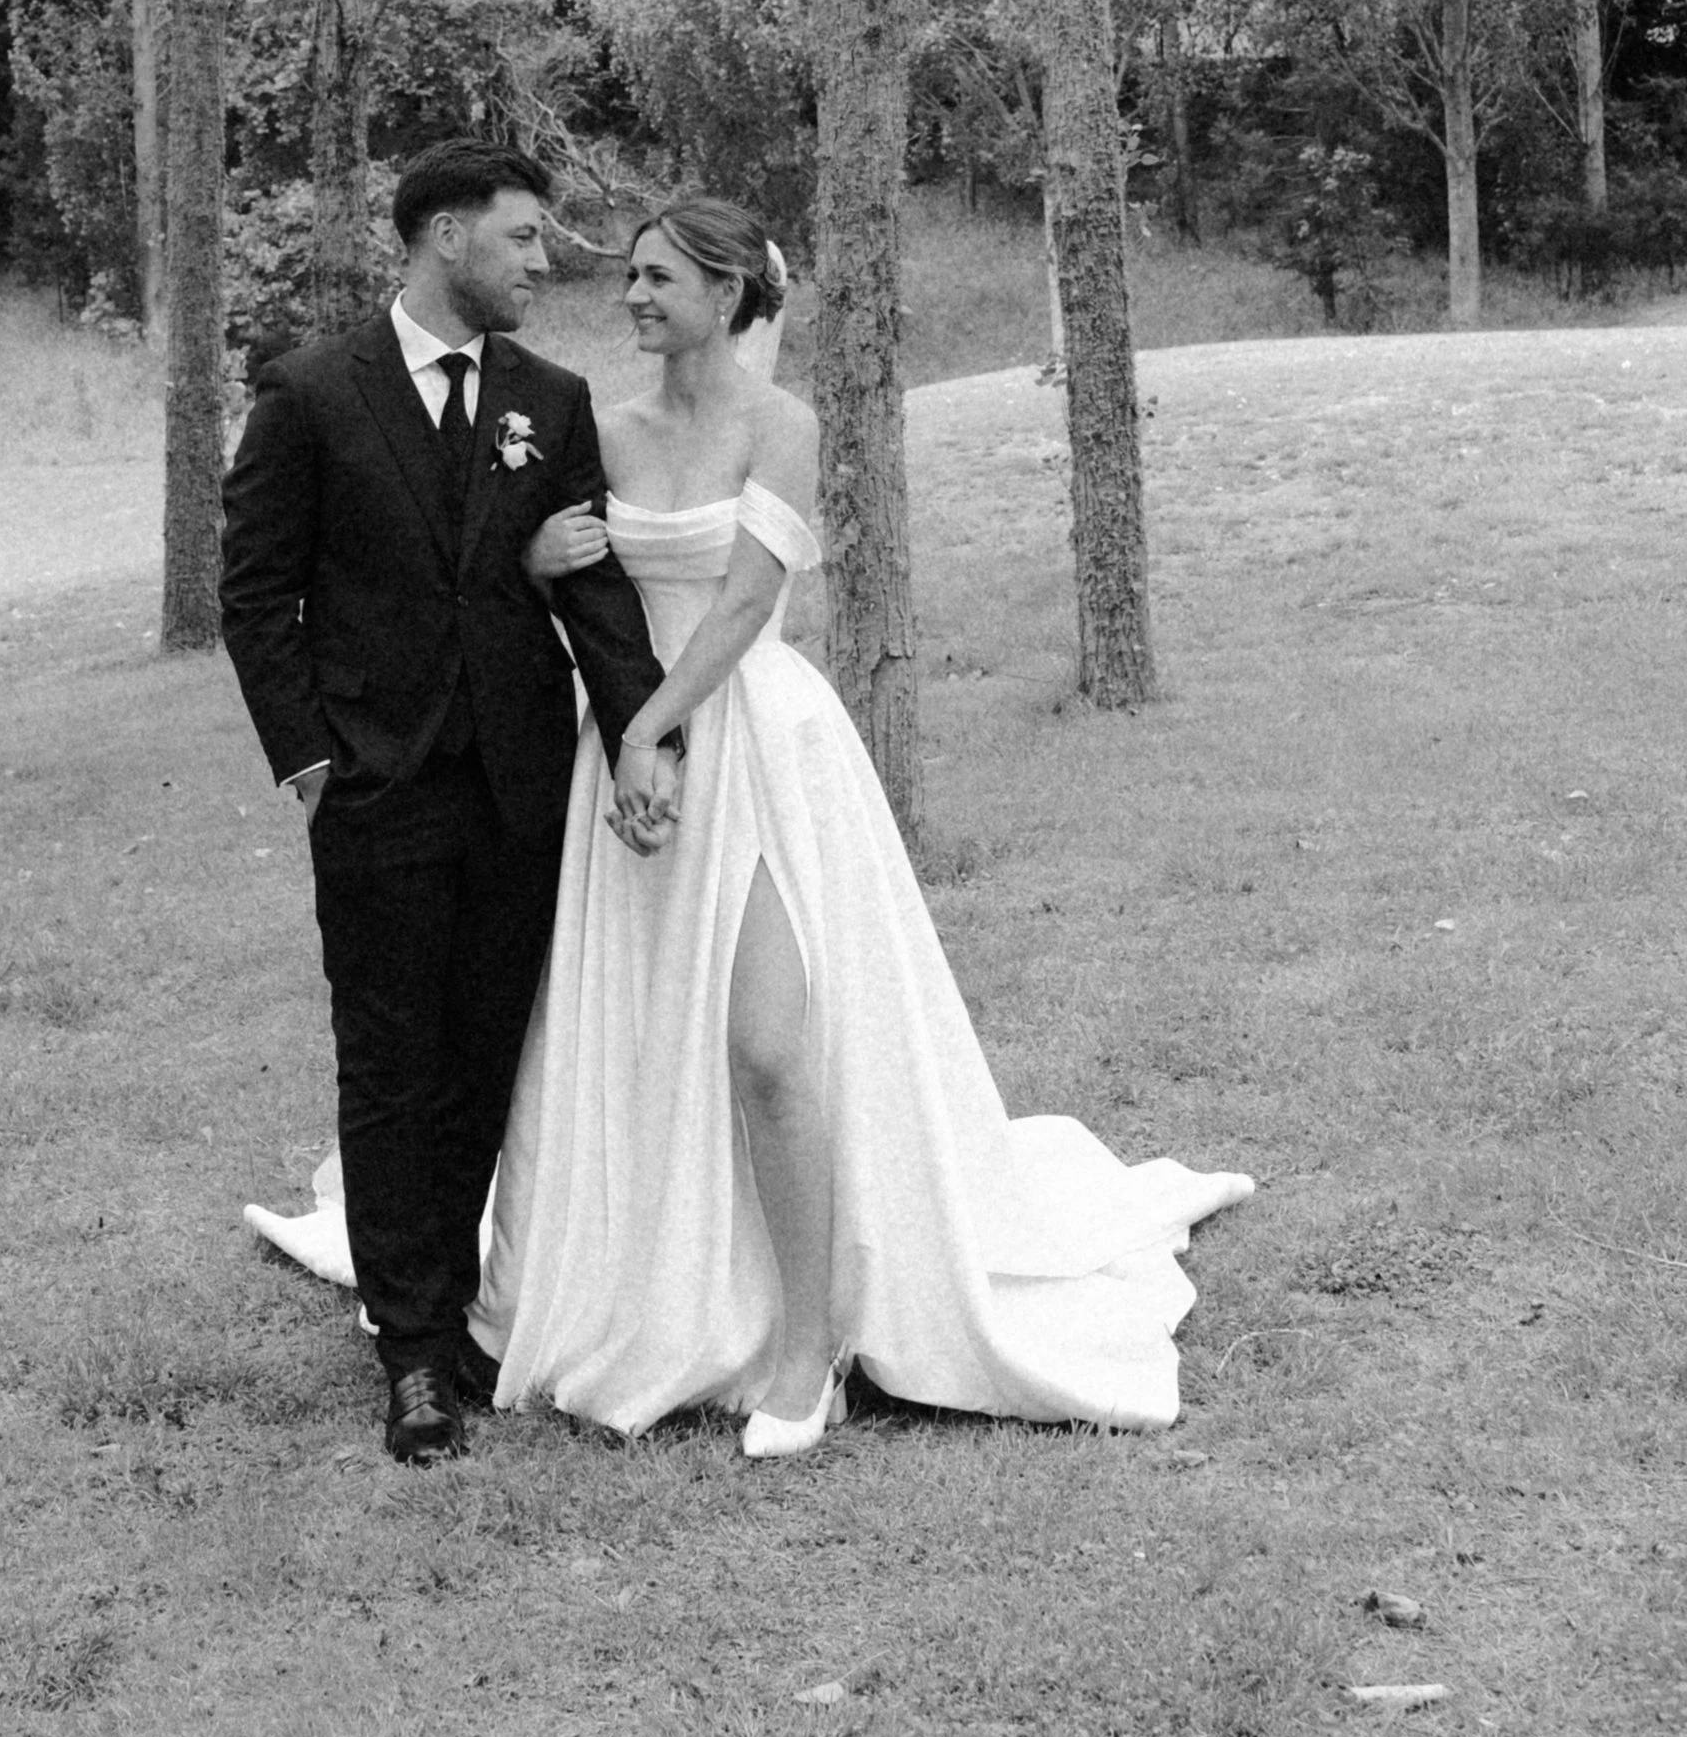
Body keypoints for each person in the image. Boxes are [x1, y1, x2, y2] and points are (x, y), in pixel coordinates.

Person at [477, 194, 1252, 1451]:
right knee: (636, 1037)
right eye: (629, 277)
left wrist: (649, 729)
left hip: (748, 746)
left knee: (771, 1051)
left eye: (659, 279)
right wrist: (540, 578)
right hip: (630, 760)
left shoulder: (783, 426)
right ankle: (658, 1290)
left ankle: (809, 1342)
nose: (631, 297)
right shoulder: (596, 430)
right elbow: (568, 589)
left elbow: (740, 604)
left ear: (727, 296)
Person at [219, 141, 670, 1467]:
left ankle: (457, 1307)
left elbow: (591, 587)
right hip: (376, 785)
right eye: (524, 237)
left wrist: (648, 731)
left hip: (522, 783)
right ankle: (410, 1350)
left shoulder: (552, 396)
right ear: (442, 237)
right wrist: (308, 755)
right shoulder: (309, 392)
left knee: (481, 1056)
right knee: (392, 1062)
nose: (545, 261)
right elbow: (255, 593)